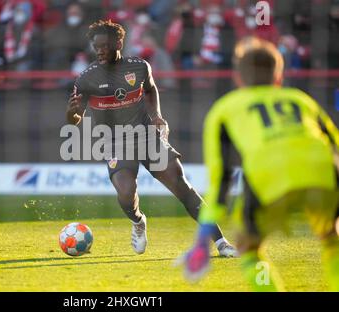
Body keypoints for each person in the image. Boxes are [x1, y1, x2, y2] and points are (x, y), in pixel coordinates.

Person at [65, 19, 237, 257]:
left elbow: (151, 89)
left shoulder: (139, 67)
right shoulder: (87, 78)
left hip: (146, 136)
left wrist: (156, 115)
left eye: (104, 45)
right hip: (115, 142)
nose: (100, 51)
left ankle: (221, 243)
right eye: (96, 46)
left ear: (119, 43)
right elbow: (74, 119)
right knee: (126, 192)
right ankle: (138, 222)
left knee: (182, 186)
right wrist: (70, 112)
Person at [179, 37, 339, 291]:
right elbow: (334, 143)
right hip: (324, 172)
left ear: (237, 78)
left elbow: (222, 179)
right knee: (332, 237)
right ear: (279, 76)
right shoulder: (300, 99)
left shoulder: (224, 109)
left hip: (270, 176)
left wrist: (201, 242)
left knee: (248, 246)